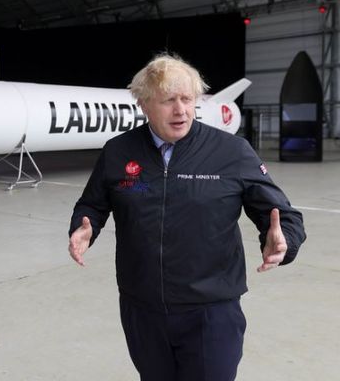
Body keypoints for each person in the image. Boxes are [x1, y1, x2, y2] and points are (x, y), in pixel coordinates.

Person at [68, 54, 306, 381]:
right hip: (142, 307)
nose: (181, 110)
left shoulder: (231, 152)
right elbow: (92, 204)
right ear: (144, 104)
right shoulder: (117, 151)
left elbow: (282, 215)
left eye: (188, 99)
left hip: (211, 310)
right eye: (168, 100)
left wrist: (284, 241)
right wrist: (85, 228)